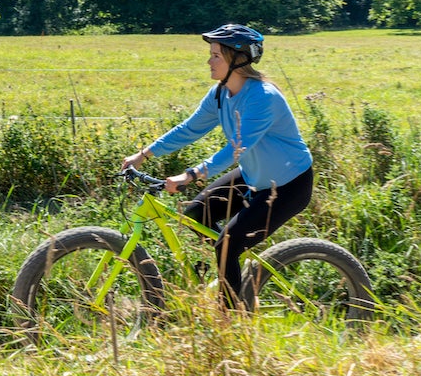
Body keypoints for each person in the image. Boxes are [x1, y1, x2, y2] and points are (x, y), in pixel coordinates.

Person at [121, 24, 314, 309]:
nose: (209, 61)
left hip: (287, 186)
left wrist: (191, 175)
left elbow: (235, 149)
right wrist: (143, 154)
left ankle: (232, 321)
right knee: (197, 213)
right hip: (253, 177)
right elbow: (189, 129)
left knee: (227, 245)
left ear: (237, 60)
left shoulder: (263, 97)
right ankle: (217, 279)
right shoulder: (220, 94)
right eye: (210, 54)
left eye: (216, 56)